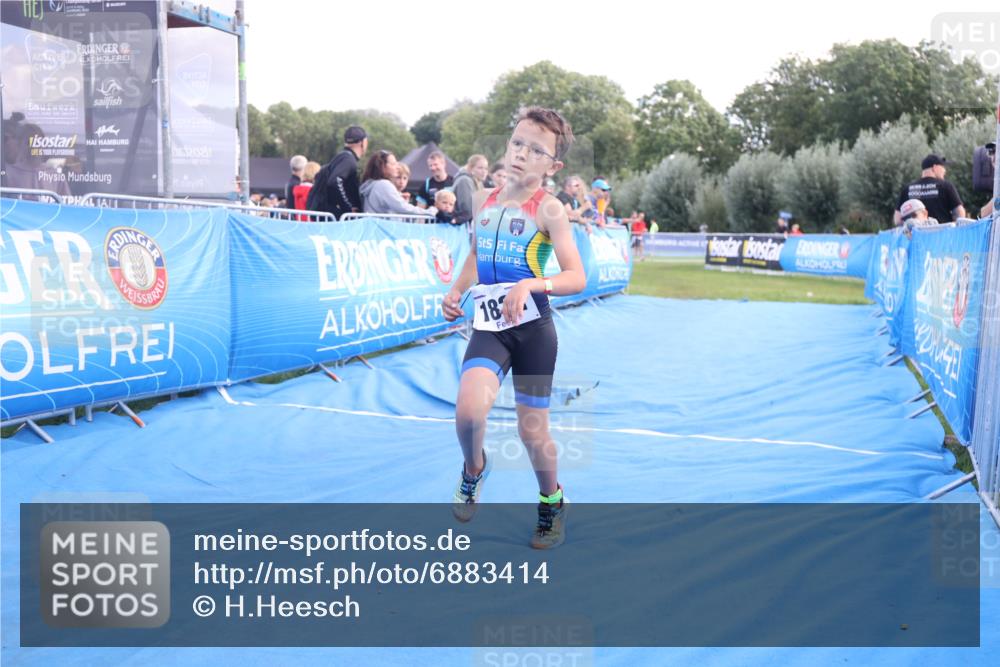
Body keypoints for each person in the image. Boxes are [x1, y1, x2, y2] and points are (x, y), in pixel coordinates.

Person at [441, 107, 586, 549]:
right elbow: (473, 255)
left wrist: (530, 283)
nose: (522, 154)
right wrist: (456, 291)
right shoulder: (485, 200)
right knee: (468, 414)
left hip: (533, 331)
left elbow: (576, 277)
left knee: (532, 431)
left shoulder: (551, 209)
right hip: (491, 327)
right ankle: (473, 469)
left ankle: (551, 502)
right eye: (518, 143)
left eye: (536, 150)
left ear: (553, 166)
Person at [307, 126, 368, 219]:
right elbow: (335, 181)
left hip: (325, 212)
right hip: (333, 216)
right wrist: (348, 208)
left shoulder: (342, 157)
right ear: (363, 142)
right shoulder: (348, 159)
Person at [894, 154, 966, 225]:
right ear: (934, 167)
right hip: (942, 234)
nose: (945, 171)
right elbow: (960, 214)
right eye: (943, 167)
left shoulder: (908, 189)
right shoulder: (946, 186)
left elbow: (897, 220)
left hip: (916, 235)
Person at [359, 150, 431, 216]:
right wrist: (429, 212)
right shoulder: (383, 185)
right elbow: (402, 208)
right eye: (393, 164)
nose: (398, 167)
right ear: (383, 166)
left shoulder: (372, 184)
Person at [452, 154, 489, 224]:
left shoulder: (478, 182)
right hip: (462, 226)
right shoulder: (465, 181)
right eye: (480, 168)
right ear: (470, 168)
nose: (484, 171)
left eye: (486, 168)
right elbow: (467, 208)